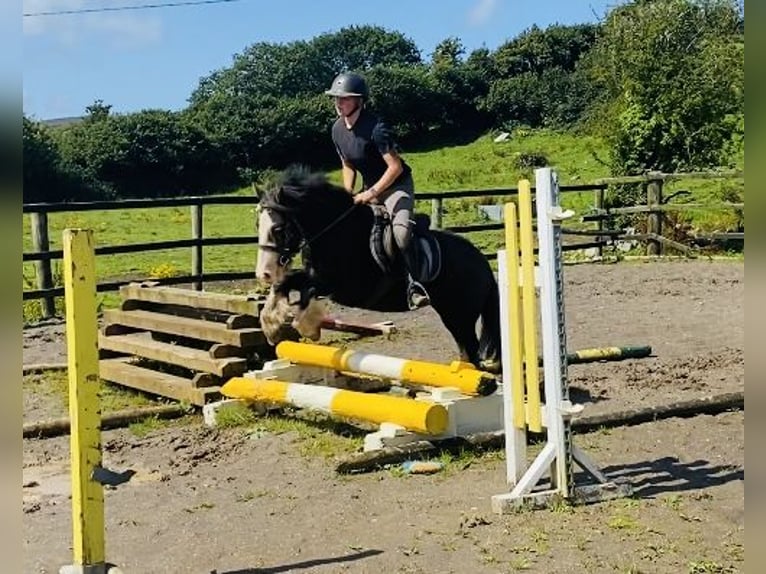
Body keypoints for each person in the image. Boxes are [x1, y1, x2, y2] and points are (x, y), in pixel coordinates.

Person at [324, 71, 430, 310]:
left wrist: (370, 194)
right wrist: (347, 192)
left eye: (345, 99)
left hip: (396, 186)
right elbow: (347, 164)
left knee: (401, 234)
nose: (339, 103)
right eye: (337, 99)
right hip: (367, 188)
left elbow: (395, 167)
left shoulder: (377, 128)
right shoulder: (337, 130)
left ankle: (415, 286)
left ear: (359, 101)